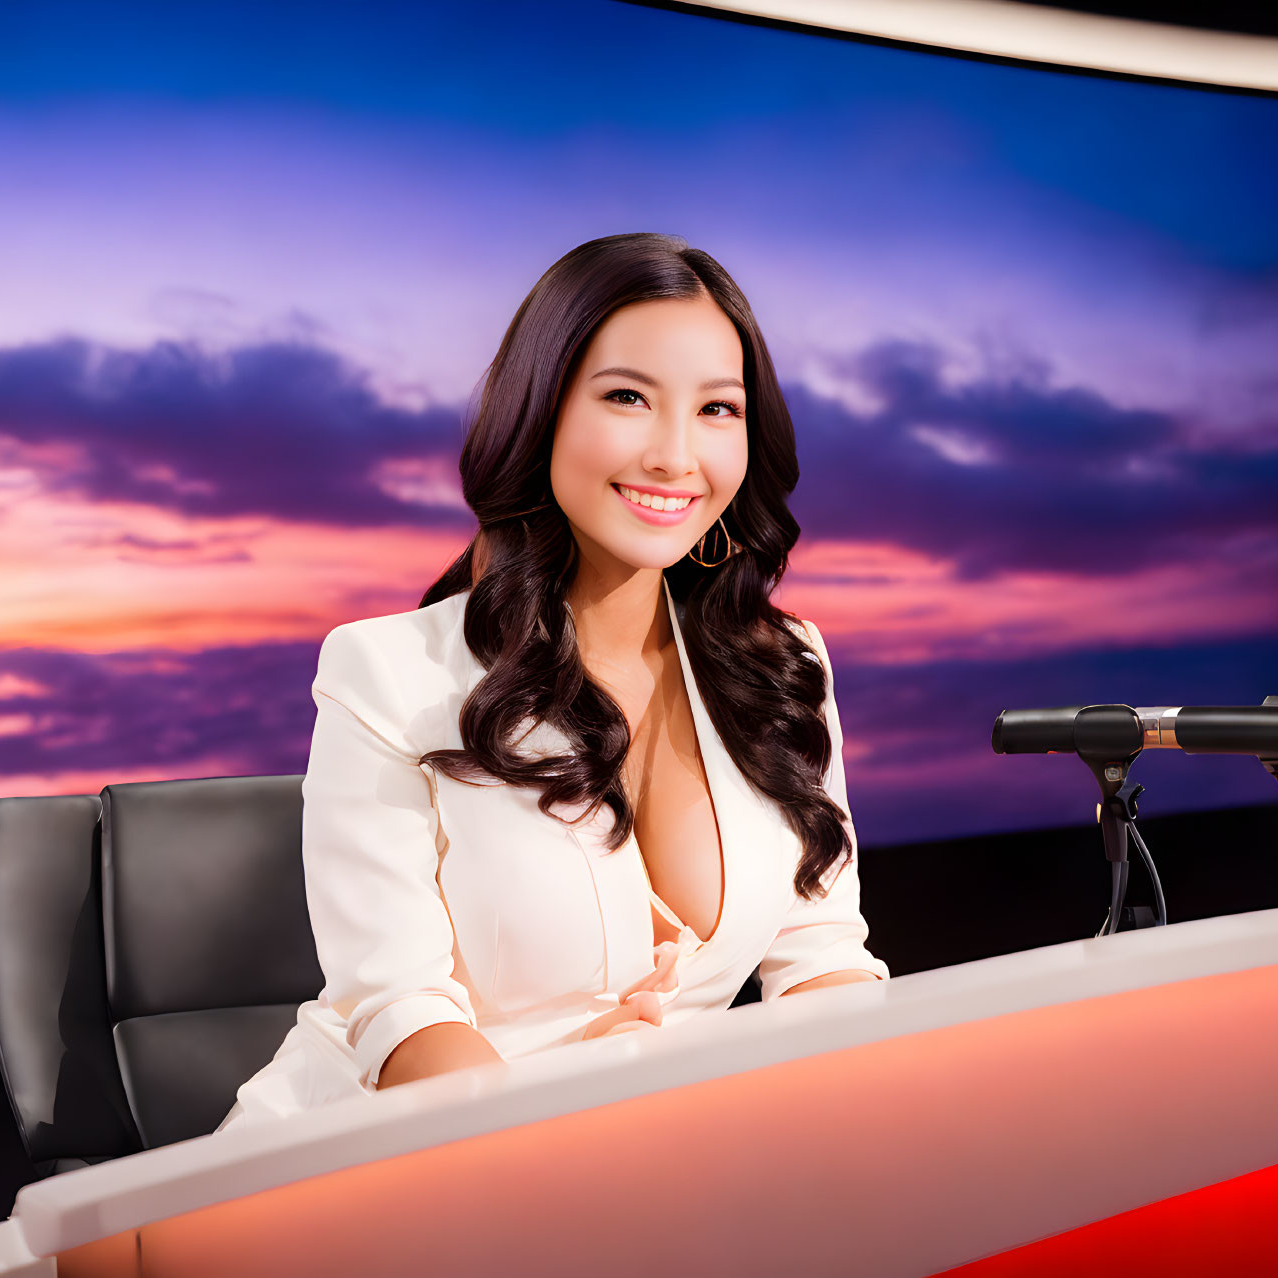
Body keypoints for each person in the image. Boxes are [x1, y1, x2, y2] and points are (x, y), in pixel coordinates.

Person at [217, 232, 888, 1131]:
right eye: (626, 398)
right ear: (541, 412)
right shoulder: (385, 670)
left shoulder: (785, 666)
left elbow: (821, 958)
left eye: (717, 410)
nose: (673, 456)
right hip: (391, 1161)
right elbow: (403, 1017)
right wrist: (563, 1148)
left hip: (649, 1163)